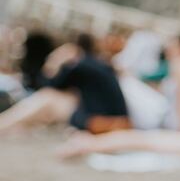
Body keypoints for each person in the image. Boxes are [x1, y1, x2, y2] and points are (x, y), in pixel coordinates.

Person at [0, 34, 130, 135]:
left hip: (104, 123)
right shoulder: (95, 64)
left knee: (47, 98)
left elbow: (48, 85)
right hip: (114, 121)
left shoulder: (79, 66)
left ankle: (3, 124)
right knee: (53, 100)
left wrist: (53, 63)